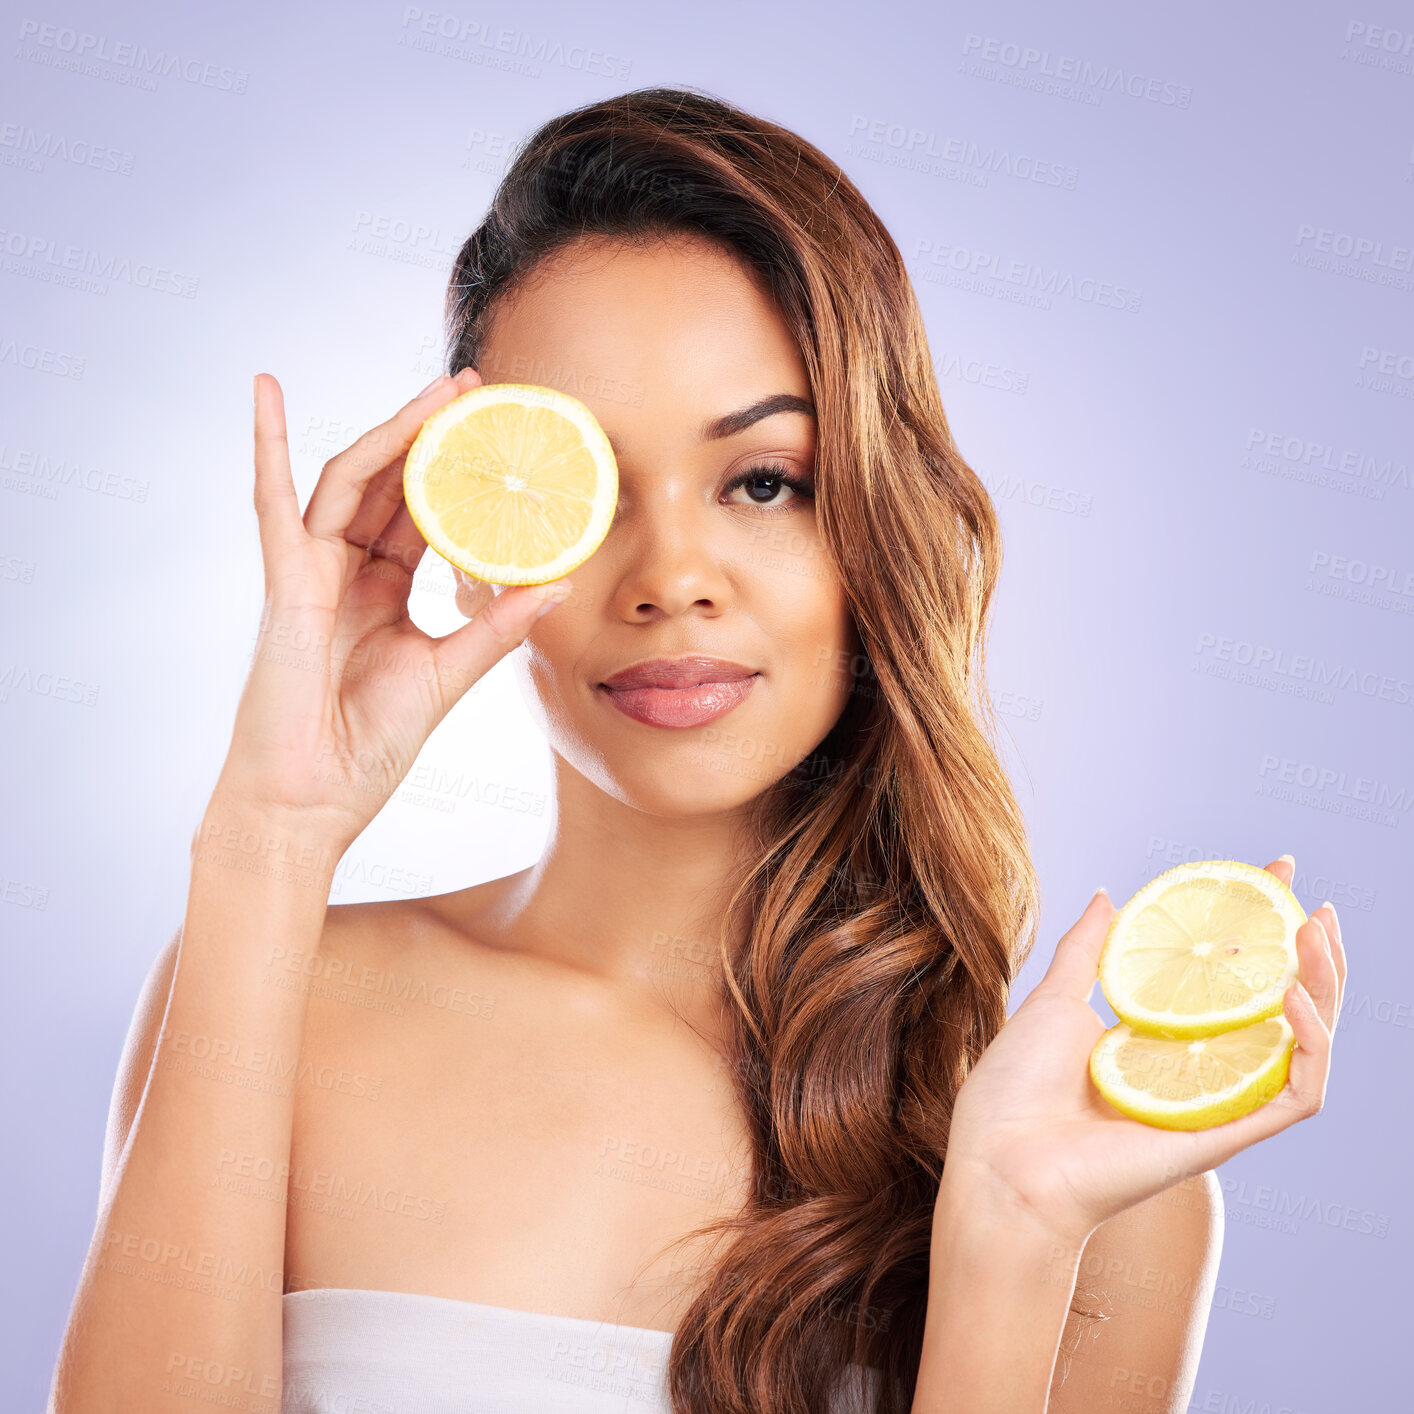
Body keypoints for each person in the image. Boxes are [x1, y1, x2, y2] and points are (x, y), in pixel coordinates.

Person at [48, 86, 1345, 1414]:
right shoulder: (297, 991)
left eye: (762, 480)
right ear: (487, 527)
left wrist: (1004, 1239)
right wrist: (268, 838)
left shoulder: (1088, 1161)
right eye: (591, 489)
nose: (671, 577)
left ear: (870, 521)